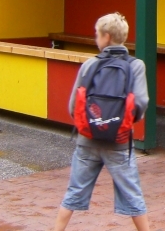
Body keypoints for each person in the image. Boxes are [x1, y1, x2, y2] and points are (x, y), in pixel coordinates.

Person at [55, 13, 149, 231]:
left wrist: (92, 123)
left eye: (97, 34)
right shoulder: (135, 66)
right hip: (119, 142)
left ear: (106, 37)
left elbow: (73, 106)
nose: (96, 38)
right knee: (132, 193)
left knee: (74, 191)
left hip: (87, 141)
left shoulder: (89, 65)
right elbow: (141, 102)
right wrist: (120, 123)